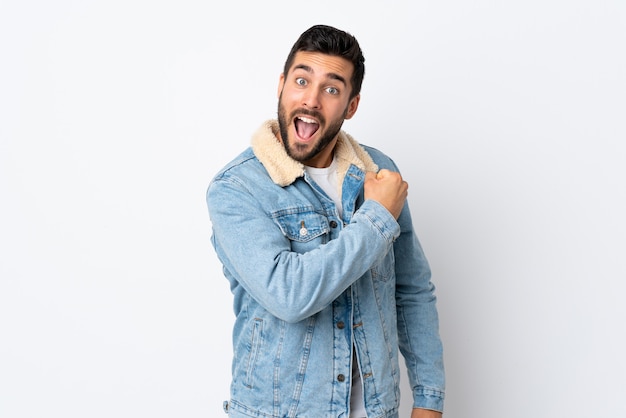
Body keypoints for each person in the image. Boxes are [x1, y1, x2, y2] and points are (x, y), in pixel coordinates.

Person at [206, 24, 445, 418]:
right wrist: (376, 218)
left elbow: (411, 288)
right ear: (281, 86)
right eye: (301, 81)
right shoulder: (236, 189)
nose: (312, 100)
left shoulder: (379, 172)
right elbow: (289, 294)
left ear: (351, 106)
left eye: (332, 89)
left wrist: (429, 400)